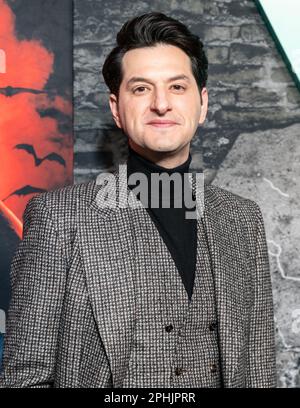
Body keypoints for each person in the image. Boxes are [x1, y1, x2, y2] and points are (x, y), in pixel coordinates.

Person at [0, 12, 276, 388]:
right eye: (141, 88)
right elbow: (25, 377)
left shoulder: (243, 219)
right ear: (116, 108)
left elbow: (259, 370)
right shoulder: (59, 216)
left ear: (203, 103)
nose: (161, 104)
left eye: (177, 87)